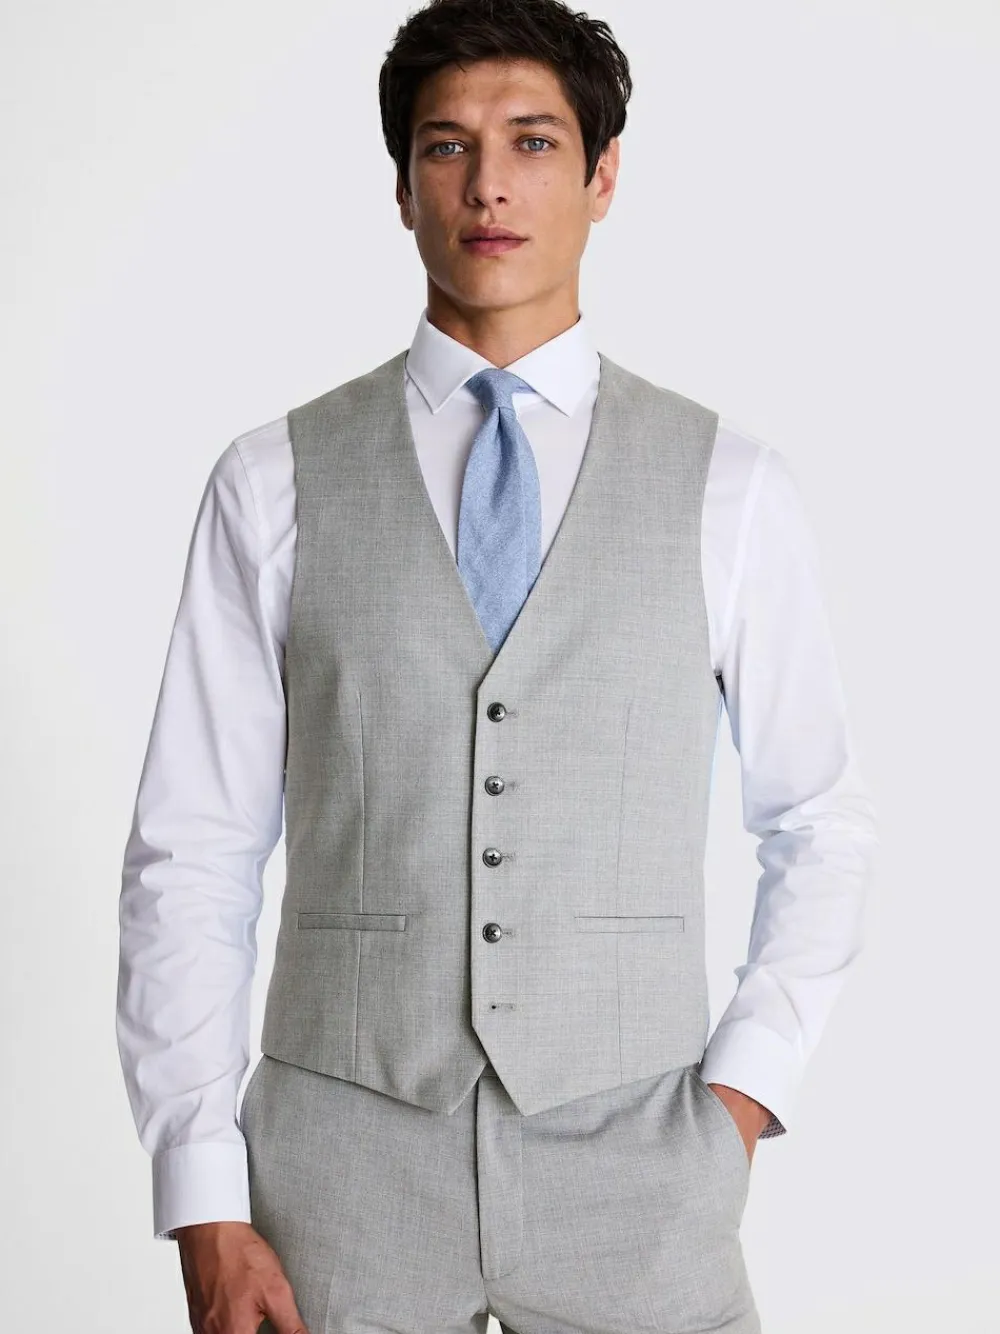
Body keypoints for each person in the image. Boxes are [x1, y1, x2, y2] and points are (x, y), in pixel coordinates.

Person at [116, 1, 879, 1331]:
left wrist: (741, 1099)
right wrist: (203, 1191)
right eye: (445, 145)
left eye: (532, 141)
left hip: (641, 1164)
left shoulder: (731, 486)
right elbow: (193, 847)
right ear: (401, 185)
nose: (487, 185)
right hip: (336, 1172)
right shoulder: (272, 480)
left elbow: (821, 823)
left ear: (602, 174)